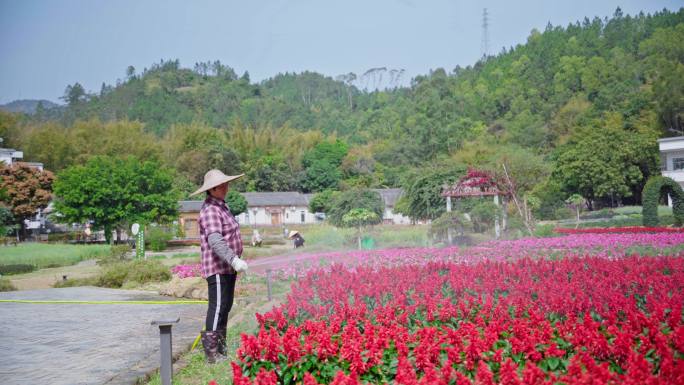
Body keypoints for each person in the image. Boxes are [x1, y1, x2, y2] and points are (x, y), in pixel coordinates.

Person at [191, 169, 249, 363]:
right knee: (217, 308)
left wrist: (234, 261)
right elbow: (215, 241)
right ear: (212, 189)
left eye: (226, 184)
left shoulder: (222, 206)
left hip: (228, 267)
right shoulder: (210, 211)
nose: (225, 188)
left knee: (225, 306)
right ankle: (212, 354)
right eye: (221, 185)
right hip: (217, 267)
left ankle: (221, 350)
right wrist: (233, 259)